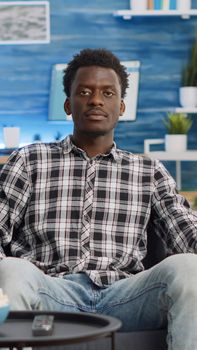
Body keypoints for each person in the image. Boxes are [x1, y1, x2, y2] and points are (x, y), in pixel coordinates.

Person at [0, 48, 197, 350]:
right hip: (52, 295)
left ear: (120, 106)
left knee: (188, 267)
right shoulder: (29, 160)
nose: (95, 100)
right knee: (11, 270)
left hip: (127, 297)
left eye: (107, 93)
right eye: (84, 92)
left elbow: (188, 236)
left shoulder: (149, 170)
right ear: (68, 104)